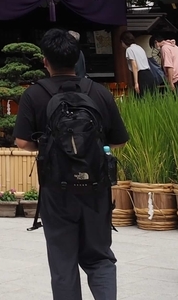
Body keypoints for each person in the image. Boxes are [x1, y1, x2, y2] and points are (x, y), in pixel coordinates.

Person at [15, 29, 127, 300]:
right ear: (77, 58)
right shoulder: (98, 92)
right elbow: (120, 141)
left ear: (45, 61)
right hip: (96, 190)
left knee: (63, 263)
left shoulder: (35, 94)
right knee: (100, 257)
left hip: (57, 191)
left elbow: (22, 142)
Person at [157, 29, 178, 94]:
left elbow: (169, 66)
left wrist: (170, 82)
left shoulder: (165, 48)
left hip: (177, 79)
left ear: (156, 42)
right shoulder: (175, 46)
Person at [120, 32, 153, 96]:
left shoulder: (129, 49)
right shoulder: (139, 47)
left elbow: (134, 65)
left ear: (123, 41)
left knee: (140, 98)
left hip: (141, 75)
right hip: (149, 74)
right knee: (149, 98)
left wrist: (136, 82)